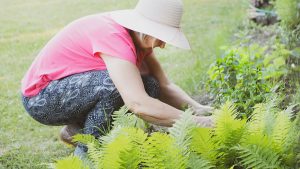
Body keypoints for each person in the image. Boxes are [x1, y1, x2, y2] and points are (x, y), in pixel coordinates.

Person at [21, 0, 214, 157]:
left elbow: (165, 86)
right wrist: (197, 122)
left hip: (67, 91)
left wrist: (199, 109)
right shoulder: (114, 38)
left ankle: (76, 131)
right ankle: (89, 154)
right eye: (162, 37)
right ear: (145, 29)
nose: (163, 45)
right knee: (114, 86)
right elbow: (138, 104)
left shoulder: (138, 41)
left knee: (150, 85)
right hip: (41, 98)